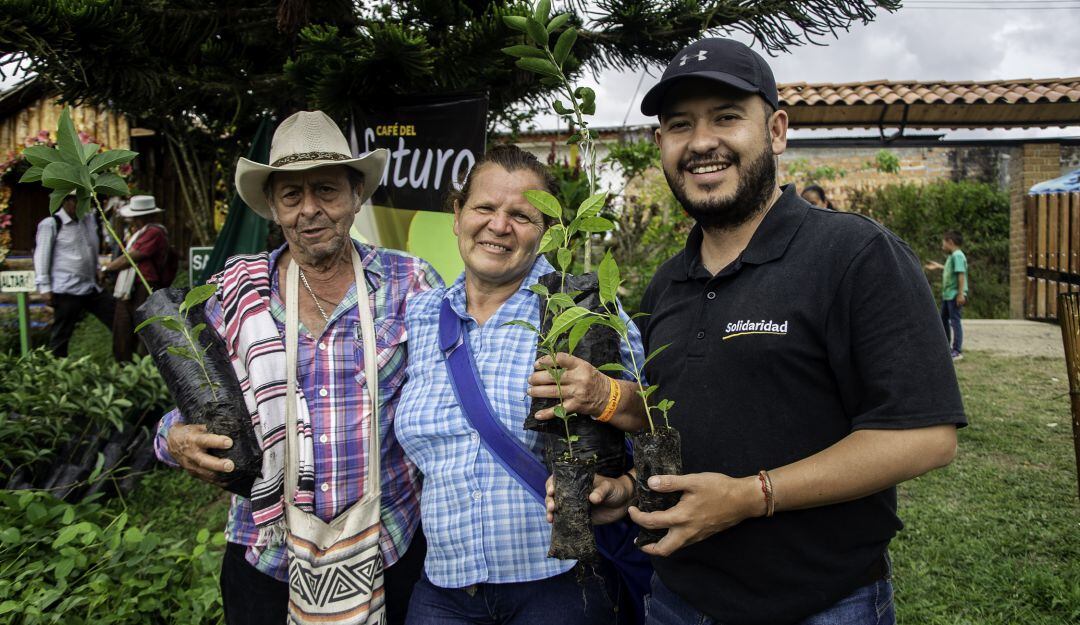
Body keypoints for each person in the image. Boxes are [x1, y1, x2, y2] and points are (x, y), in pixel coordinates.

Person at [608, 38, 965, 625]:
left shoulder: (854, 255)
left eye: (726, 118)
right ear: (661, 145)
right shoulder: (667, 283)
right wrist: (628, 487)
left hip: (822, 604)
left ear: (775, 130)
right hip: (676, 600)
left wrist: (751, 497)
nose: (701, 143)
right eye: (680, 125)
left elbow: (925, 436)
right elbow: (674, 421)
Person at [153, 111, 441, 625]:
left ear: (356, 195)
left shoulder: (410, 281)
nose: (310, 210)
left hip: (390, 545)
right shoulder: (233, 295)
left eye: (327, 190)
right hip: (268, 557)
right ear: (274, 208)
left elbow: (449, 399)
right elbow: (185, 410)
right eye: (291, 196)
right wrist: (175, 438)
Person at [394, 145, 647, 625]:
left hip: (557, 587)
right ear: (457, 214)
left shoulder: (582, 312)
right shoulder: (422, 316)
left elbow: (655, 419)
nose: (498, 225)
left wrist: (603, 394)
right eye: (484, 207)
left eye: (521, 215)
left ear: (548, 231)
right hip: (444, 589)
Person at [33, 191, 116, 357]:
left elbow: (89, 250)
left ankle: (127, 361)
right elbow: (42, 255)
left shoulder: (88, 220)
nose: (81, 205)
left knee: (117, 319)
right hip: (66, 288)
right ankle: (56, 371)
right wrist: (44, 287)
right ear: (66, 201)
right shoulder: (51, 224)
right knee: (62, 334)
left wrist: (98, 270)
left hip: (91, 286)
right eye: (77, 201)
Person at [104, 195, 170, 361]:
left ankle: (147, 368)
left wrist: (107, 268)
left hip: (145, 286)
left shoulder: (154, 232)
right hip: (129, 288)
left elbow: (131, 257)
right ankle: (124, 367)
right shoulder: (138, 233)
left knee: (145, 330)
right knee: (123, 330)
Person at [925, 231, 968, 360]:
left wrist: (960, 294)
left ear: (950, 242)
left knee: (955, 322)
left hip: (955, 295)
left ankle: (957, 350)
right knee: (943, 320)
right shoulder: (952, 256)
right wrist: (939, 266)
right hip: (948, 295)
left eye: (943, 242)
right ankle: (946, 347)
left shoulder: (958, 256)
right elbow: (951, 270)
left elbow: (961, 275)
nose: (942, 245)